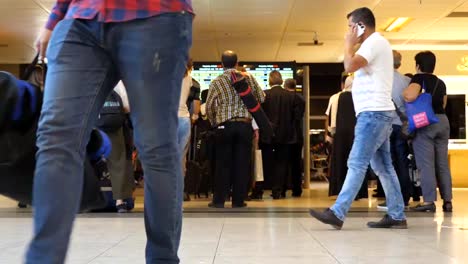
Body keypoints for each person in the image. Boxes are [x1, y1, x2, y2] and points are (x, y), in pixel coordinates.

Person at [27, 1, 193, 263]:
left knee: (156, 147)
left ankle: (163, 259)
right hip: (81, 20)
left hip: (155, 14)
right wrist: (55, 18)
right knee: (55, 138)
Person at [309, 7, 407, 230]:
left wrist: (348, 44)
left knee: (356, 163)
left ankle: (337, 212)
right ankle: (397, 215)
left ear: (361, 25)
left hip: (373, 114)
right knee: (384, 167)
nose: (349, 31)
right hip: (378, 114)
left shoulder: (373, 42)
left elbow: (349, 65)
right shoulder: (375, 44)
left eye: (351, 26)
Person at [206, 50, 265, 208]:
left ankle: (219, 200)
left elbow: (210, 105)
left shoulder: (217, 81)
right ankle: (238, 200)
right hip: (244, 124)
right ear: (237, 63)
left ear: (221, 64)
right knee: (242, 163)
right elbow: (262, 97)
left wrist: (214, 122)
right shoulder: (248, 78)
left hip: (224, 125)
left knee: (223, 164)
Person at [403, 51, 453, 213]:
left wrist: (404, 92)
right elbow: (443, 104)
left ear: (418, 65)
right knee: (442, 164)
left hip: (426, 123)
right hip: (442, 122)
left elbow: (410, 96)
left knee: (426, 164)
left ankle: (429, 202)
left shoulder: (418, 78)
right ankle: (447, 201)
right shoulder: (441, 82)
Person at [253, 71, 297, 199]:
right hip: (285, 136)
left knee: (263, 163)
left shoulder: (264, 95)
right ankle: (277, 191)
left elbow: (259, 115)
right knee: (281, 163)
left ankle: (259, 190)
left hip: (267, 135)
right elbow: (294, 117)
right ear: (282, 81)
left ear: (270, 81)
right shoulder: (290, 96)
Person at [377, 50, 412, 210]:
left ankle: (392, 199)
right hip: (402, 126)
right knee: (402, 162)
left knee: (388, 164)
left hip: (387, 125)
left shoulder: (382, 80)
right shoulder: (407, 80)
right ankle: (405, 197)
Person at [328, 75, 369, 200]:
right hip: (358, 134)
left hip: (341, 135)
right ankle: (359, 192)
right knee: (357, 162)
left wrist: (331, 133)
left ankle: (341, 190)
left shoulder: (336, 97)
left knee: (341, 161)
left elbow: (333, 120)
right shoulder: (362, 97)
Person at [96, 81, 135, 213]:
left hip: (92, 124)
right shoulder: (118, 81)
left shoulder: (90, 76)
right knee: (117, 161)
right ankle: (119, 201)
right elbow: (127, 106)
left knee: (86, 161)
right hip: (114, 126)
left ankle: (84, 198)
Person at [284, 78, 305, 197]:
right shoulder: (301, 98)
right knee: (296, 164)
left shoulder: (285, 98)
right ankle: (297, 190)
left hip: (285, 135)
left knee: (283, 163)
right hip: (297, 135)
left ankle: (282, 189)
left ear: (285, 86)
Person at [178, 59, 194, 201]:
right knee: (181, 157)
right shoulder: (189, 79)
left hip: (168, 119)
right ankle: (180, 190)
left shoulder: (165, 76)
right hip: (184, 119)